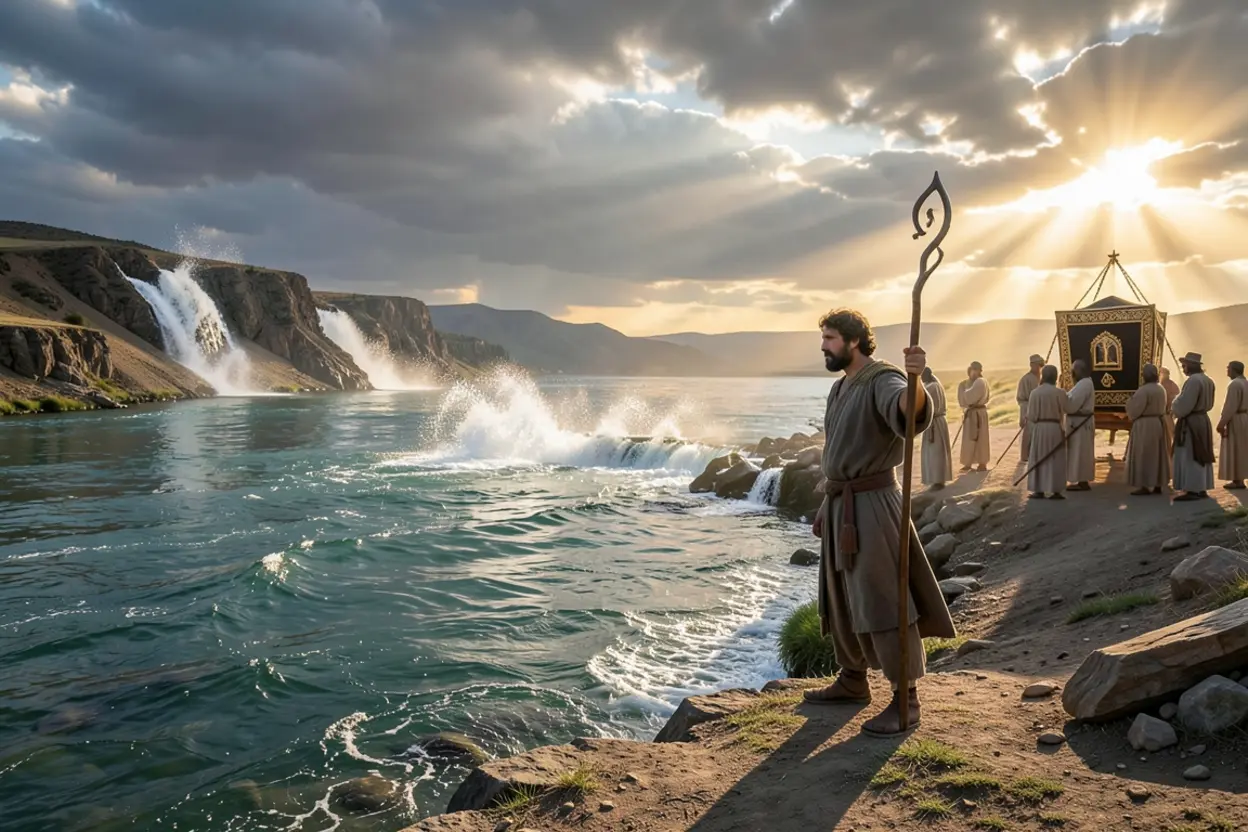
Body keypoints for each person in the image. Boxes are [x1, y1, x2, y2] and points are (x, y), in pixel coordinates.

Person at [802, 308, 956, 737]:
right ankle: (853, 679)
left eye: (830, 338)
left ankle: (906, 698)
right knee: (840, 597)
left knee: (884, 599)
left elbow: (906, 413)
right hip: (841, 505)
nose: (823, 346)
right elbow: (838, 452)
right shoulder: (840, 387)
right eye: (824, 338)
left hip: (872, 506)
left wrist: (916, 381)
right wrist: (825, 504)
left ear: (853, 341)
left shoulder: (884, 378)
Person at [1172, 352, 1216, 501]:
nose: (1183, 368)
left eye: (1184, 365)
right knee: (1200, 454)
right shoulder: (1208, 380)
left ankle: (1193, 489)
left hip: (1192, 423)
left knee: (1191, 454)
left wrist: (1174, 402)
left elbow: (1184, 405)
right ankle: (1201, 488)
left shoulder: (1193, 381)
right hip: (1202, 420)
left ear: (1191, 365)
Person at [1125, 363, 1171, 496]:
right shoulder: (1160, 388)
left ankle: (1145, 485)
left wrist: (1129, 402)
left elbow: (1135, 410)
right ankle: (1158, 484)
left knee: (1144, 454)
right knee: (1157, 455)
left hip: (1145, 425)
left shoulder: (1143, 390)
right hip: (1158, 423)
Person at [1025, 365, 1068, 499]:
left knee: (1039, 457)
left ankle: (1039, 489)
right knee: (1055, 458)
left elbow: (1031, 415)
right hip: (1055, 428)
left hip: (1040, 428)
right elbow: (1067, 408)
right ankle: (1056, 490)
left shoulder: (1035, 393)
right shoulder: (1060, 392)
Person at [1064, 359, 1096, 491]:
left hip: (1080, 425)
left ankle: (1082, 481)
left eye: (1074, 369)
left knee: (1081, 452)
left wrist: (1062, 398)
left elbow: (1072, 405)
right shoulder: (1083, 383)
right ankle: (1080, 479)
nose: (1072, 372)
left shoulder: (1084, 384)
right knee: (1080, 451)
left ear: (1079, 371)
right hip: (1079, 424)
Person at [920, 367, 953, 490]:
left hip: (934, 422)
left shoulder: (931, 387)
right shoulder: (935, 385)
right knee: (937, 450)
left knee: (935, 451)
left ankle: (938, 480)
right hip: (937, 421)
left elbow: (925, 405)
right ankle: (937, 479)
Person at [1218, 360, 1248, 490]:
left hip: (1236, 419)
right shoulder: (1245, 383)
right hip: (1245, 418)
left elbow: (1230, 407)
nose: (1227, 370)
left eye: (1228, 368)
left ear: (1234, 369)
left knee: (1235, 449)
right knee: (1242, 449)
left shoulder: (1234, 384)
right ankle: (1239, 479)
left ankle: (1237, 480)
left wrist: (1222, 423)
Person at [957, 362, 990, 472]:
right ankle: (967, 463)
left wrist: (966, 396)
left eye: (978, 370)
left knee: (982, 438)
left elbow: (970, 397)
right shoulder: (964, 384)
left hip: (980, 413)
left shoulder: (982, 382)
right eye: (973, 369)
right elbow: (962, 400)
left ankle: (982, 463)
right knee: (968, 439)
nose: (975, 372)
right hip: (970, 414)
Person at [1016, 355, 1044, 464]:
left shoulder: (1042, 378)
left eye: (1040, 365)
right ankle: (1025, 456)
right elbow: (1021, 399)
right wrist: (1028, 410)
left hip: (1039, 411)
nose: (1039, 368)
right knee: (1028, 434)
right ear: (1032, 365)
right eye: (1037, 365)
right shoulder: (1025, 379)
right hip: (1027, 410)